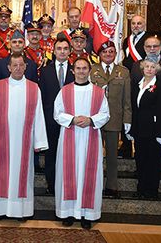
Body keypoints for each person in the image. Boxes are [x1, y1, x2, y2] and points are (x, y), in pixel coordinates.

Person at [0, 53, 48, 220]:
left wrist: (39, 140)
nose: (18, 68)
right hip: (1, 140)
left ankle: (21, 211)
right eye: (15, 65)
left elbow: (39, 115)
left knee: (23, 175)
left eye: (21, 65)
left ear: (25, 67)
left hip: (24, 141)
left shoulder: (34, 88)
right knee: (0, 175)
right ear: (9, 68)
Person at [54, 58, 110, 230]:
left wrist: (91, 120)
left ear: (89, 70)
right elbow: (57, 113)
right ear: (73, 71)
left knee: (88, 174)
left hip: (90, 137)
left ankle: (87, 214)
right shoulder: (64, 91)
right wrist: (72, 119)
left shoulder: (98, 92)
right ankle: (68, 212)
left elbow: (106, 114)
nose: (81, 71)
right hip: (69, 136)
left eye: (84, 68)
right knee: (68, 173)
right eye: (78, 68)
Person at [90, 41, 131, 197]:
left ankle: (112, 186)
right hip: (96, 120)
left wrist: (127, 120)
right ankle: (96, 183)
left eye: (111, 52)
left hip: (114, 119)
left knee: (112, 156)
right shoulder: (92, 70)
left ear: (115, 54)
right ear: (100, 54)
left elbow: (127, 99)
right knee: (95, 155)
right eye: (105, 52)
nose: (108, 54)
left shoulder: (123, 72)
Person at [130, 35, 161, 163]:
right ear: (144, 48)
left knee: (159, 151)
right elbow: (133, 91)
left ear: (160, 48)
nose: (152, 49)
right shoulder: (135, 66)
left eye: (155, 46)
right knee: (141, 153)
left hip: (160, 117)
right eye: (148, 46)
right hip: (140, 119)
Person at [39, 38, 74, 195]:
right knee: (51, 153)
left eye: (65, 48)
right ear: (53, 51)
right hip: (50, 120)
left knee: (69, 154)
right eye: (59, 48)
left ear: (69, 51)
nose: (62, 51)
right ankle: (51, 184)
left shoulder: (76, 70)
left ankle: (67, 184)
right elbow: (43, 97)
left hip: (71, 120)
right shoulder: (46, 71)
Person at [130, 57, 161, 199]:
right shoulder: (137, 84)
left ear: (156, 69)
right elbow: (134, 108)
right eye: (147, 66)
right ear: (142, 68)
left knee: (152, 161)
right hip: (139, 129)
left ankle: (151, 191)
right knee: (140, 159)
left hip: (153, 130)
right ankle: (141, 189)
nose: (149, 69)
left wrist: (160, 132)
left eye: (152, 67)